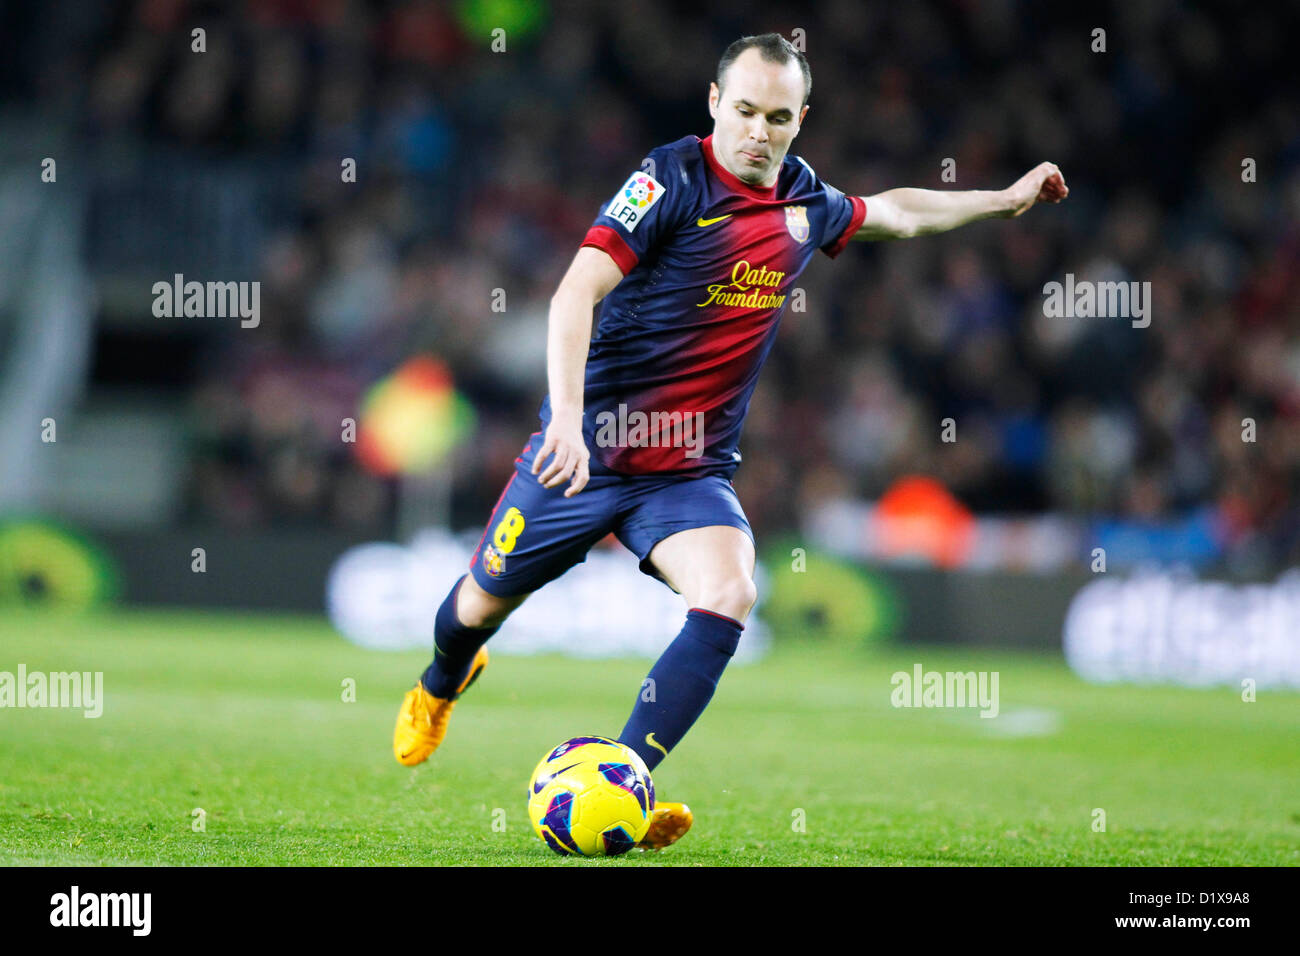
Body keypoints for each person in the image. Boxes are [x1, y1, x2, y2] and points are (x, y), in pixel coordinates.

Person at [393, 32, 1067, 849]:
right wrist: (565, 418)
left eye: (777, 118)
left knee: (731, 592)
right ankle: (443, 679)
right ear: (715, 103)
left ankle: (629, 775)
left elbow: (895, 212)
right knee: (472, 608)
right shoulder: (668, 178)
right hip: (589, 451)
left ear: (800, 120)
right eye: (743, 110)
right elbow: (575, 293)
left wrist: (1003, 199)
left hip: (686, 471)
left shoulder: (804, 203)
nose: (758, 131)